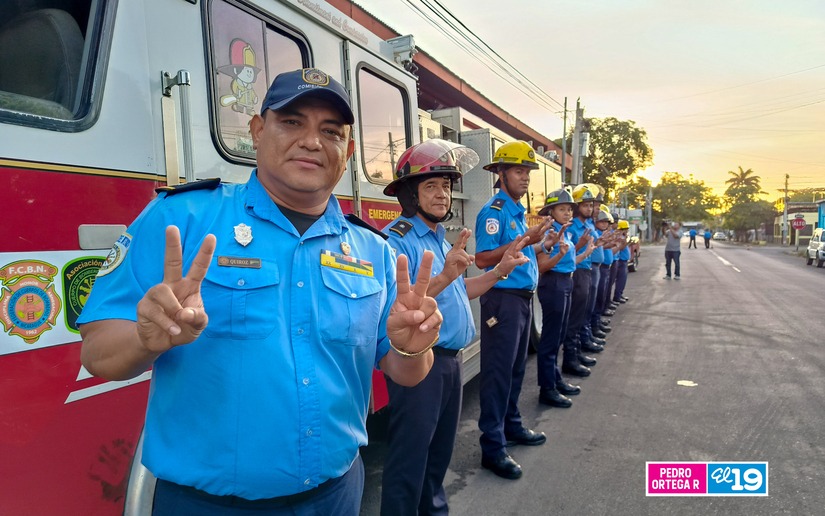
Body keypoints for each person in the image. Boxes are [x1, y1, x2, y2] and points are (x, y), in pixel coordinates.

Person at [77, 68, 443, 516]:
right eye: (291, 122)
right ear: (257, 131)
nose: (312, 141)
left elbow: (407, 373)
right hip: (207, 507)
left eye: (331, 131)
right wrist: (144, 339)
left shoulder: (374, 250)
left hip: (335, 497)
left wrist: (412, 349)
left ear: (347, 152)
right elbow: (97, 353)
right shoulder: (182, 218)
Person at [379, 139, 530, 515]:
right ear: (409, 194)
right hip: (420, 363)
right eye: (431, 186)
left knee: (437, 459)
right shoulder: (397, 241)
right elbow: (403, 307)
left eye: (446, 186)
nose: (442, 194)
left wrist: (498, 271)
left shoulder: (440, 239)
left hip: (450, 362)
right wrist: (446, 274)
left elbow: (461, 290)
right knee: (409, 461)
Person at [474, 140, 552, 480]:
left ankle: (512, 426)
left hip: (521, 300)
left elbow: (522, 252)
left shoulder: (517, 212)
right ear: (501, 173)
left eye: (528, 172)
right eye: (519, 171)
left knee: (516, 369)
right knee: (497, 373)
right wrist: (526, 240)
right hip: (502, 301)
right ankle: (492, 448)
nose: (525, 178)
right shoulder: (493, 212)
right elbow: (482, 259)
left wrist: (539, 242)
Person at [534, 189, 579, 408]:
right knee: (551, 338)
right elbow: (542, 266)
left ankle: (555, 378)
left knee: (559, 335)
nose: (567, 213)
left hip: (566, 282)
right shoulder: (549, 234)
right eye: (562, 209)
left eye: (569, 209)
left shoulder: (565, 232)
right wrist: (559, 254)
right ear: (551, 212)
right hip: (553, 284)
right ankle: (547, 389)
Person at [560, 184, 598, 378]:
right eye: (585, 205)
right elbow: (567, 252)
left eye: (591, 205)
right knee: (573, 319)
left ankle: (576, 353)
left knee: (581, 315)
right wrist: (580, 244)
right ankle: (570, 359)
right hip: (577, 271)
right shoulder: (572, 226)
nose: (589, 209)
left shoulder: (588, 224)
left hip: (586, 269)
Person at [612, 220, 632, 303]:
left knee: (622, 280)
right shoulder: (620, 237)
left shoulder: (623, 236)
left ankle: (620, 294)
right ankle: (617, 296)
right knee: (620, 279)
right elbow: (622, 247)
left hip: (624, 260)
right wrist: (627, 241)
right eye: (625, 229)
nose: (626, 230)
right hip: (621, 260)